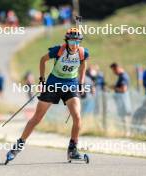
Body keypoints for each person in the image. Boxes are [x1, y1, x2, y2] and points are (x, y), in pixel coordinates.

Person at [5, 28, 89, 162]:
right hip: (53, 84)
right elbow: (42, 60)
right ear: (67, 41)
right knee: (37, 118)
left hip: (70, 85)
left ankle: (72, 149)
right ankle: (18, 146)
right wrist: (42, 80)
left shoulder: (82, 53)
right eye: (72, 42)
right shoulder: (59, 50)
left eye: (77, 42)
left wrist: (81, 82)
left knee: (78, 117)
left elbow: (83, 64)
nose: (75, 45)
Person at [110, 63, 131, 136]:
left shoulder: (123, 76)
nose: (114, 73)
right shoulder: (121, 76)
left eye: (113, 70)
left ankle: (127, 132)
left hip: (123, 100)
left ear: (116, 68)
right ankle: (126, 132)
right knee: (123, 116)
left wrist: (114, 88)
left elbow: (123, 89)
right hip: (122, 100)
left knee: (125, 116)